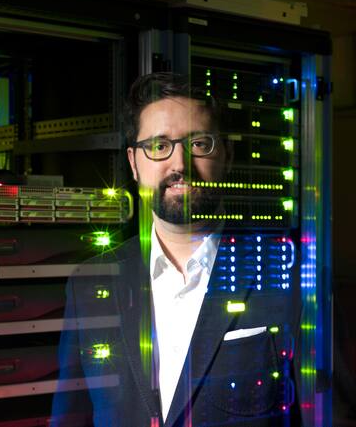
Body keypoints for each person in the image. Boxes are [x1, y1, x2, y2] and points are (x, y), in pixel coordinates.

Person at [51, 73, 294, 426]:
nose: (180, 165)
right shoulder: (90, 283)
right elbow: (69, 418)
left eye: (199, 144)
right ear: (134, 163)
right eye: (159, 146)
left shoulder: (290, 277)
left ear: (227, 155)